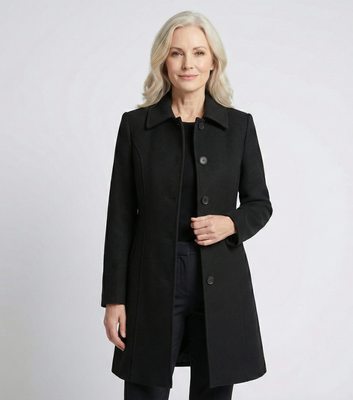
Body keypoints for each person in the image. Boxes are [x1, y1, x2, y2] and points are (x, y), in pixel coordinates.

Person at [102, 11, 272, 400]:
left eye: (198, 52)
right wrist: (114, 298)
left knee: (214, 389)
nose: (188, 63)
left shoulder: (239, 127)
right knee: (145, 388)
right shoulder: (136, 127)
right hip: (152, 277)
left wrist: (231, 223)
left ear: (213, 61)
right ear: (164, 60)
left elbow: (259, 203)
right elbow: (120, 217)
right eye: (177, 53)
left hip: (221, 277)